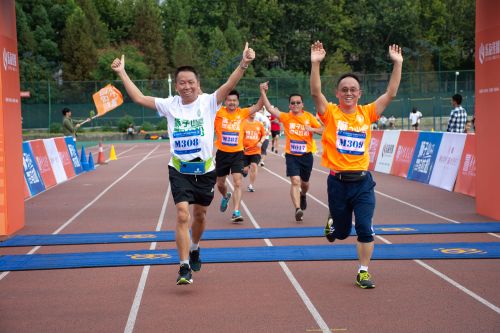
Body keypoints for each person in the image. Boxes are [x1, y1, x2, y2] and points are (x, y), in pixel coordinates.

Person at [111, 42, 256, 285]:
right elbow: (137, 97)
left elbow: (230, 85)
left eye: (191, 82)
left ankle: (196, 247)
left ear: (198, 85)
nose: (186, 86)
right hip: (179, 169)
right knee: (181, 214)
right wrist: (121, 72)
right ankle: (183, 265)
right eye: (182, 83)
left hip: (206, 170)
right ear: (176, 86)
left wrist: (244, 63)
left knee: (199, 215)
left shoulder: (209, 102)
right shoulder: (169, 105)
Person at [310, 41, 403, 289]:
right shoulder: (330, 113)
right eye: (344, 89)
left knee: (364, 228)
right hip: (337, 183)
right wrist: (315, 63)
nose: (349, 93)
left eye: (353, 89)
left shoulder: (368, 113)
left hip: (362, 182)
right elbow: (315, 94)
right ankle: (333, 221)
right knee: (340, 233)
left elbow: (391, 93)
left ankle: (363, 271)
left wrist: (398, 63)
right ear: (338, 93)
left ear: (359, 93)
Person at [260, 83, 323, 222]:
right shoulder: (286, 117)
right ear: (289, 106)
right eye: (292, 103)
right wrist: (263, 92)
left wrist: (312, 130)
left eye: (298, 103)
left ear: (302, 104)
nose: (295, 105)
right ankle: (297, 209)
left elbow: (323, 130)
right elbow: (270, 108)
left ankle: (303, 195)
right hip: (291, 155)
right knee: (295, 181)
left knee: (304, 183)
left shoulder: (309, 117)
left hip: (306, 155)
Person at [215, 90, 263, 223]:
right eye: (229, 100)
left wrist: (263, 92)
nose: (232, 102)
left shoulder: (242, 113)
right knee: (220, 184)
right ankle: (225, 196)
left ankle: (236, 211)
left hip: (237, 154)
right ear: (225, 102)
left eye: (234, 100)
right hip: (222, 154)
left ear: (238, 102)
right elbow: (205, 101)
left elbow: (258, 106)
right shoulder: (218, 113)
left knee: (237, 182)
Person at [242, 112, 266, 192]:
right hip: (245, 151)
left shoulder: (259, 124)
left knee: (254, 165)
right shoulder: (243, 123)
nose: (253, 114)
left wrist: (261, 142)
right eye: (251, 112)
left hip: (256, 151)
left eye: (254, 112)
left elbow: (264, 135)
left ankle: (251, 185)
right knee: (245, 169)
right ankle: (245, 170)